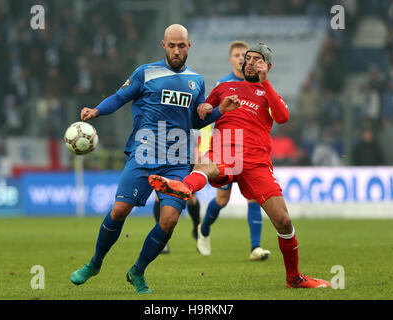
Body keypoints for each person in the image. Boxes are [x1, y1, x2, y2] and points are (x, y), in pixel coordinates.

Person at [69, 24, 239, 294]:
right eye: (171, 45)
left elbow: (194, 120)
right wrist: (96, 111)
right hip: (144, 154)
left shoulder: (196, 80)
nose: (176, 50)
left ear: (189, 46)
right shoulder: (145, 72)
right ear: (163, 45)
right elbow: (120, 97)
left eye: (181, 45)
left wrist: (218, 110)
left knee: (169, 220)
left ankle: (137, 271)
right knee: (119, 211)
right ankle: (95, 263)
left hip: (177, 160)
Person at [149, 42, 331, 288]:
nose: (250, 63)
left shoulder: (269, 93)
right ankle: (183, 187)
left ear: (267, 66)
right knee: (207, 165)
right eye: (248, 59)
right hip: (226, 147)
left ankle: (294, 278)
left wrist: (265, 83)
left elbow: (283, 117)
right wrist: (203, 107)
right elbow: (200, 113)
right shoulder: (224, 87)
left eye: (256, 59)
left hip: (257, 161)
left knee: (284, 221)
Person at [200, 40, 270, 261]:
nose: (242, 58)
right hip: (226, 144)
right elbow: (210, 112)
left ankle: (255, 248)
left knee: (254, 198)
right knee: (222, 199)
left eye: (245, 55)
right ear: (231, 59)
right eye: (238, 55)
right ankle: (203, 229)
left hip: (249, 148)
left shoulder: (259, 84)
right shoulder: (223, 84)